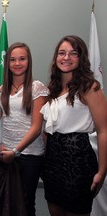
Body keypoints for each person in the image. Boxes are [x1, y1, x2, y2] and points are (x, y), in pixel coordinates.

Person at [40, 35, 107, 216]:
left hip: (77, 161)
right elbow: (46, 129)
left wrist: (102, 171)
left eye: (73, 53)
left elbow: (103, 131)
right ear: (56, 58)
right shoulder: (52, 88)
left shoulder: (89, 87)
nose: (66, 58)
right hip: (53, 161)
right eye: (62, 53)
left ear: (81, 57)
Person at [0, 42, 48, 216]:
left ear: (29, 61)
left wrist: (16, 151)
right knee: (6, 202)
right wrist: (0, 146)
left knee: (25, 204)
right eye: (12, 59)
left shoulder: (37, 87)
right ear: (7, 63)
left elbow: (36, 127)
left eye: (22, 59)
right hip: (5, 153)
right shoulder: (1, 90)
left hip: (29, 156)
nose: (17, 63)